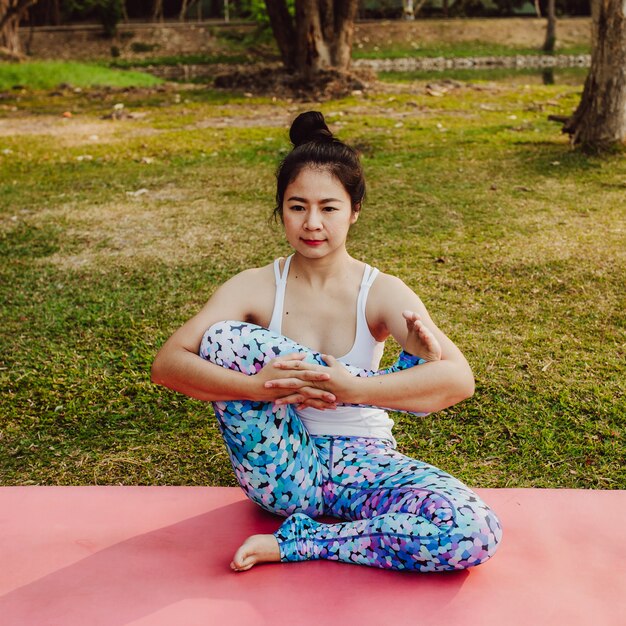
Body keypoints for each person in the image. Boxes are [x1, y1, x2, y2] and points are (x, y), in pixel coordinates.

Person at [151, 111, 502, 573]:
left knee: (473, 530)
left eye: (329, 207)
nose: (312, 223)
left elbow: (459, 380)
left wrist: (354, 390)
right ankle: (401, 379)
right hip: (281, 466)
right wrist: (258, 387)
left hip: (367, 461)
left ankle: (307, 542)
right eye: (297, 207)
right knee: (224, 338)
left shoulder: (381, 291)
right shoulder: (255, 286)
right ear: (281, 211)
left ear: (354, 211)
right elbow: (167, 364)